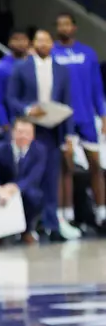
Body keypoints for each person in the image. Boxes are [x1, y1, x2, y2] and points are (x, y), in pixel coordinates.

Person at [5, 29, 73, 240]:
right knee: (29, 177)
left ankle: (51, 225)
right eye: (39, 41)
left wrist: (69, 135)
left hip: (52, 129)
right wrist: (27, 109)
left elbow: (67, 102)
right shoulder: (21, 68)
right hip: (29, 128)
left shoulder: (61, 70)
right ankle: (26, 226)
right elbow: (11, 98)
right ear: (33, 44)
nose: (43, 44)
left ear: (52, 44)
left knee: (51, 178)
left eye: (46, 41)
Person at [51, 13, 104, 229]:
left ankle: (102, 213)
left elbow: (97, 86)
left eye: (67, 24)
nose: (63, 28)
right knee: (66, 168)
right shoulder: (51, 53)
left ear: (74, 27)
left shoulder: (88, 53)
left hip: (87, 118)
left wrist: (103, 114)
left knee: (96, 166)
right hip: (64, 119)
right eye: (59, 24)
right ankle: (66, 216)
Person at [0, 117, 48, 243]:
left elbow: (34, 177)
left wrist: (15, 188)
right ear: (12, 132)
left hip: (23, 190)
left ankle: (27, 230)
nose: (23, 136)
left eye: (27, 133)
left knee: (34, 196)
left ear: (33, 135)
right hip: (2, 190)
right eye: (20, 132)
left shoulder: (39, 151)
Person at [0, 30, 29, 129]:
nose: (20, 43)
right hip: (11, 120)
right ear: (10, 43)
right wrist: (4, 123)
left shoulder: (33, 64)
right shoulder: (1, 68)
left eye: (23, 40)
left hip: (32, 119)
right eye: (16, 40)